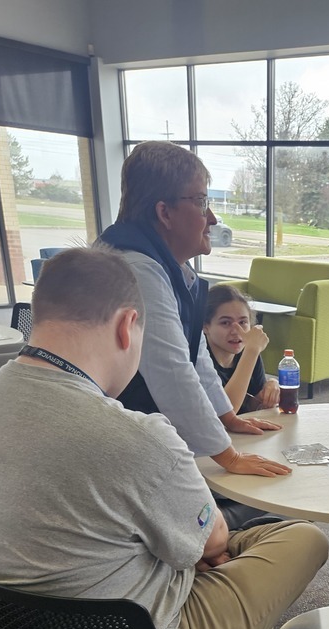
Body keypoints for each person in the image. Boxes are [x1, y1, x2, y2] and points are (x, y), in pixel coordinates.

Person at [0, 248, 329, 629]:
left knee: (202, 538)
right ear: (128, 326)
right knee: (301, 538)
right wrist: (197, 545)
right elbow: (211, 541)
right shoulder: (136, 435)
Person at [98, 141, 289, 529]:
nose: (212, 218)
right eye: (202, 202)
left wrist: (227, 417)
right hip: (124, 451)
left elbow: (194, 352)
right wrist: (229, 456)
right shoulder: (137, 269)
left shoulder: (164, 266)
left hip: (142, 435)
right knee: (273, 501)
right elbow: (172, 372)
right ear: (164, 213)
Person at [204, 284, 280, 414]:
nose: (236, 331)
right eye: (225, 323)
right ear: (205, 326)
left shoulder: (248, 350)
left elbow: (249, 407)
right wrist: (252, 351)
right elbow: (225, 413)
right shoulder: (199, 359)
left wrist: (267, 393)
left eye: (243, 322)